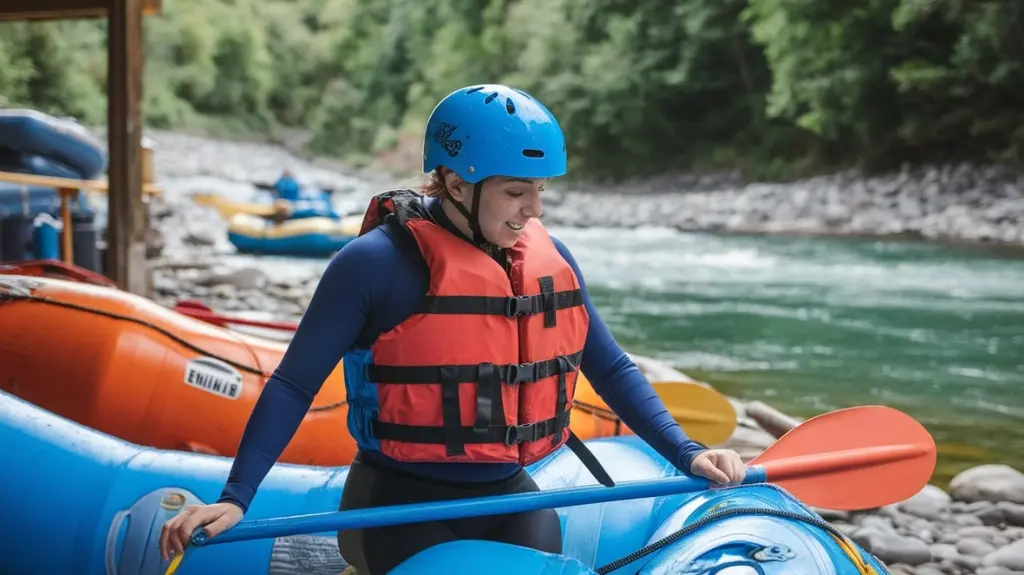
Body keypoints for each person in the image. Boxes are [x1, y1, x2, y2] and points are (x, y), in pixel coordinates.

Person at [159, 84, 747, 573]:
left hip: (512, 496)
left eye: (540, 191)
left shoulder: (548, 257)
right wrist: (236, 499)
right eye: (516, 192)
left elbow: (610, 365)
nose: (534, 211)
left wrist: (687, 452)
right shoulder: (374, 265)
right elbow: (293, 385)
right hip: (397, 506)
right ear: (457, 184)